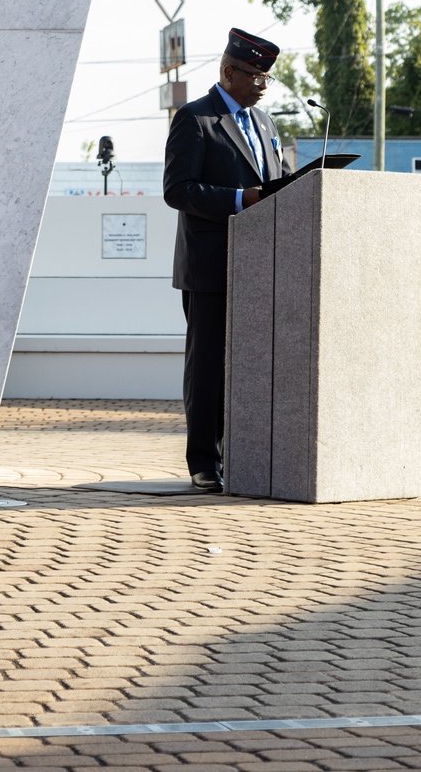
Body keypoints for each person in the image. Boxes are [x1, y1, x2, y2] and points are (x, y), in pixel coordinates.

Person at [163, 27, 290, 492]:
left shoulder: (266, 124)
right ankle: (203, 462)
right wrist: (242, 198)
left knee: (252, 364)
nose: (261, 84)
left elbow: (278, 181)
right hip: (211, 265)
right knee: (209, 367)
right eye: (255, 75)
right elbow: (176, 190)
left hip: (261, 266)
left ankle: (246, 455)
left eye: (266, 78)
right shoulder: (196, 119)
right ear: (228, 71)